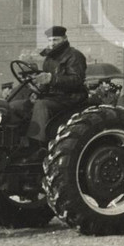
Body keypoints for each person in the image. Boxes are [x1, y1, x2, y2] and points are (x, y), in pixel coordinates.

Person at [19, 26, 88, 159]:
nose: (52, 43)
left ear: (65, 39)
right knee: (20, 105)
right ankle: (18, 142)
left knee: (41, 105)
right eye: (50, 40)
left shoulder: (74, 56)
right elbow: (46, 84)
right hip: (54, 97)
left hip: (71, 98)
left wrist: (52, 78)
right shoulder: (49, 59)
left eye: (56, 39)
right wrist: (37, 91)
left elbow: (77, 80)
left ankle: (36, 145)